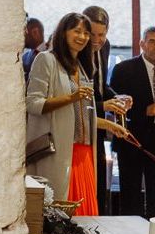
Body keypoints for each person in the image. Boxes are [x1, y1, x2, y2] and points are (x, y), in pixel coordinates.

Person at [26, 12, 128, 214]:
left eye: (86, 33)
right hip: (60, 150)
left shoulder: (80, 67)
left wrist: (111, 125)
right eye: (77, 31)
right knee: (59, 215)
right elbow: (33, 103)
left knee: (85, 220)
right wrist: (71, 97)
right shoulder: (46, 60)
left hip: (84, 154)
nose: (83, 37)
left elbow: (81, 117)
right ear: (63, 32)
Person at [110, 26, 155, 219]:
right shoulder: (124, 69)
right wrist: (145, 110)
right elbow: (114, 106)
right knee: (131, 197)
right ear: (142, 44)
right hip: (131, 141)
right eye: (151, 42)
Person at [81, 5, 131, 215]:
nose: (96, 40)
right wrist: (104, 105)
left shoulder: (106, 46)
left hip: (99, 125)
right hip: (81, 124)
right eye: (92, 34)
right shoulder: (75, 49)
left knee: (101, 183)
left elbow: (100, 86)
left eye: (101, 35)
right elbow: (80, 96)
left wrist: (116, 97)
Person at [22, 17, 46, 83]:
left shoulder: (53, 54)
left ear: (35, 33)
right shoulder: (24, 57)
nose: (21, 38)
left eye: (24, 34)